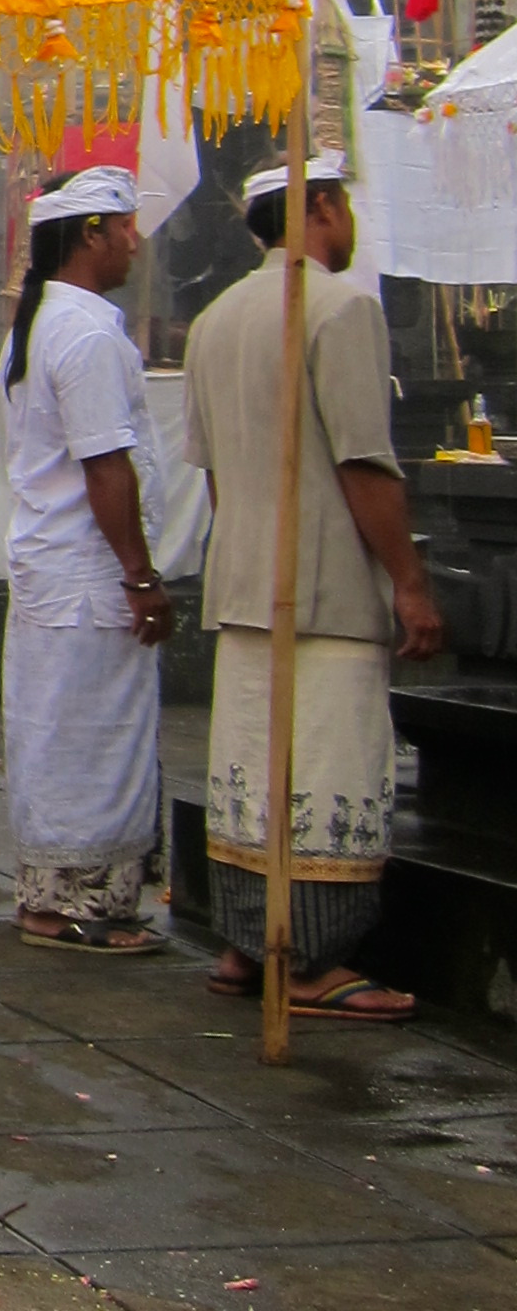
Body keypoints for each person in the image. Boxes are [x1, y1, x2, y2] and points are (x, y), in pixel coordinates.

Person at [182, 148, 444, 1018]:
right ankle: (308, 961)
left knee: (252, 776)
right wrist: (410, 583)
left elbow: (215, 477)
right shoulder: (339, 307)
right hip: (323, 590)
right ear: (324, 207)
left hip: (244, 581)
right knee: (324, 775)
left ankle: (245, 942)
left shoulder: (214, 318)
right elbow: (364, 462)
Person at [0, 165, 174, 952]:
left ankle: (55, 897)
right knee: (90, 736)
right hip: (88, 573)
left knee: (59, 728)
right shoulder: (86, 333)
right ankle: (75, 904)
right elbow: (105, 466)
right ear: (90, 235)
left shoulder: (47, 322)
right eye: (125, 227)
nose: (136, 242)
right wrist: (140, 573)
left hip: (59, 568)